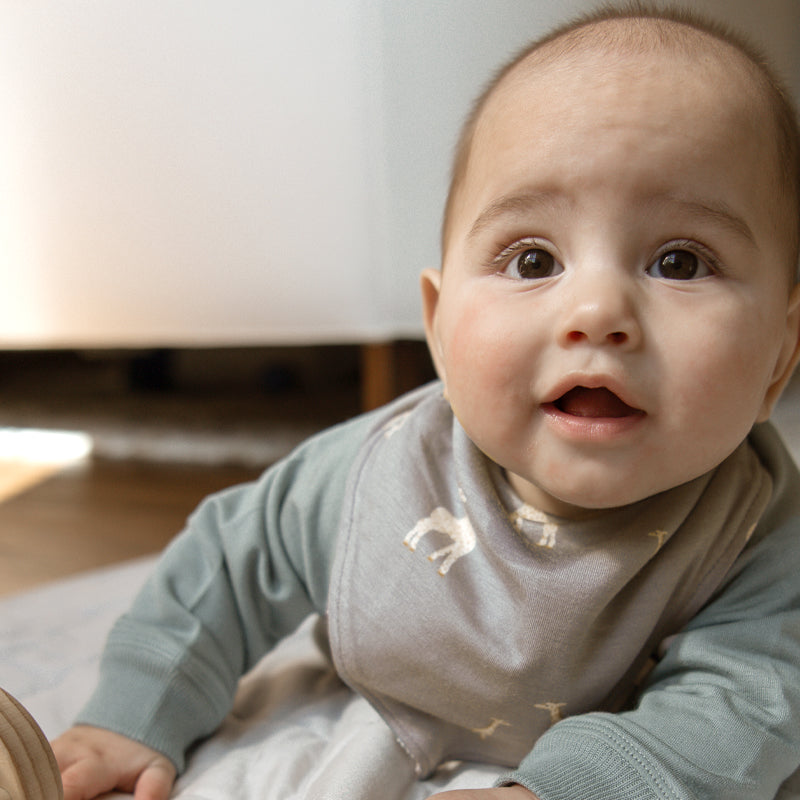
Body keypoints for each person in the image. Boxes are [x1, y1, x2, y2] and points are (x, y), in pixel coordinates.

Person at [49, 4, 800, 799]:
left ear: (780, 358)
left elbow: (749, 703)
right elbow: (229, 566)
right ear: (439, 328)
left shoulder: (757, 531)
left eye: (680, 262)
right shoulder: (374, 477)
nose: (597, 314)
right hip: (386, 703)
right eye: (533, 257)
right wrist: (132, 714)